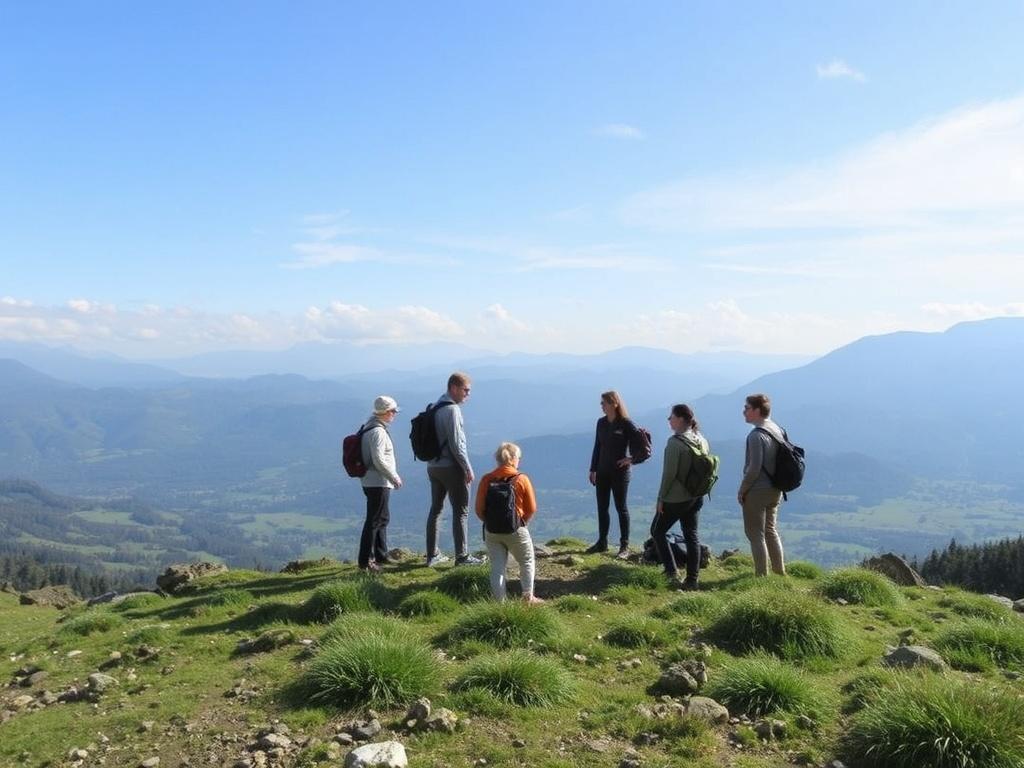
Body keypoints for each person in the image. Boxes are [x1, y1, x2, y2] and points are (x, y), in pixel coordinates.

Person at [425, 372, 483, 566]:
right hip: (451, 467)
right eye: (466, 390)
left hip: (433, 466)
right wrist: (467, 468)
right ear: (454, 388)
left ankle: (432, 555)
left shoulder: (435, 406)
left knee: (436, 509)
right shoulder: (452, 410)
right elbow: (457, 444)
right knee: (461, 511)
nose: (468, 395)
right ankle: (462, 557)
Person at [474, 442, 543, 603]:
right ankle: (528, 597)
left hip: (492, 531)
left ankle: (499, 603)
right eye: (518, 458)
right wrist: (520, 522)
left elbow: (479, 509)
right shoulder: (521, 479)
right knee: (526, 561)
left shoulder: (486, 479)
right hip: (516, 529)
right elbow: (531, 508)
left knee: (497, 567)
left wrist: (490, 522)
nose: (519, 460)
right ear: (512, 459)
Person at [652, 404, 708, 589]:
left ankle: (671, 571)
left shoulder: (675, 443)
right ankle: (692, 579)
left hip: (676, 498)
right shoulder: (700, 439)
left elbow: (669, 474)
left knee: (657, 531)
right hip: (696, 496)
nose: (669, 420)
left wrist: (661, 498)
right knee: (691, 535)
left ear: (681, 419)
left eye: (672, 417)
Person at [587, 390, 642, 558]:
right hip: (602, 471)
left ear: (614, 403)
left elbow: (642, 445)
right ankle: (602, 542)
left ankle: (624, 546)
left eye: (604, 403)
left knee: (621, 508)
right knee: (602, 508)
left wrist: (631, 459)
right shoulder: (601, 423)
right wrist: (593, 469)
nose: (601, 406)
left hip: (620, 473)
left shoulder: (625, 423)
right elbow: (598, 446)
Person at [738, 393, 786, 576]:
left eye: (747, 408)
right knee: (770, 530)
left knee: (755, 534)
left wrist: (742, 490)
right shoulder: (776, 429)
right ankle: (779, 572)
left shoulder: (756, 436)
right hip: (776, 488)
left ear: (757, 411)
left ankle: (761, 576)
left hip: (757, 490)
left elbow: (753, 468)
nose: (744, 412)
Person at [358, 396, 402, 572]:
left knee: (381, 518)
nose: (395, 414)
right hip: (378, 481)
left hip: (372, 481)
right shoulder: (378, 432)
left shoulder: (369, 427)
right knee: (375, 520)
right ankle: (366, 561)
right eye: (393, 411)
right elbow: (378, 459)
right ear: (385, 412)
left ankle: (381, 555)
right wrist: (394, 477)